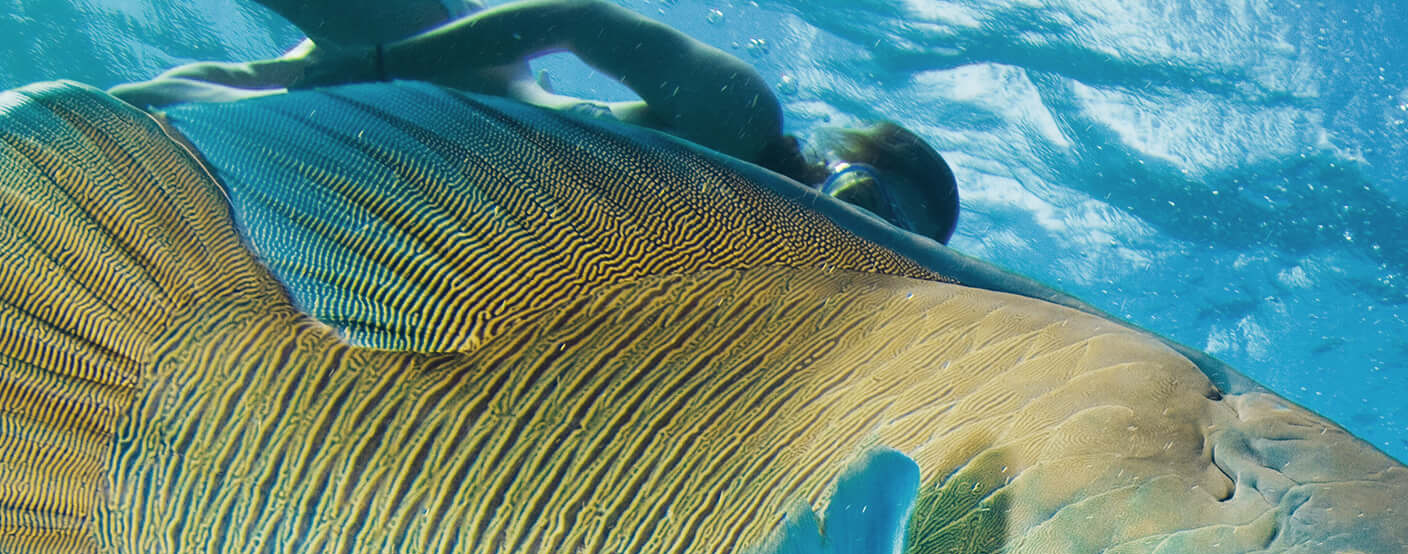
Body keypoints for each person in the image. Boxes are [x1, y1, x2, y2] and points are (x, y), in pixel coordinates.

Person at [112, 0, 959, 243]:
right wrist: (378, 65)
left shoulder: (750, 250)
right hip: (446, 77)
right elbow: (580, 20)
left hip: (420, 154)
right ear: (843, 161)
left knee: (164, 113)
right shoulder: (742, 123)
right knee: (188, 105)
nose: (850, 221)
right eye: (864, 195)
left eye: (883, 232)